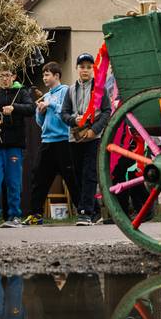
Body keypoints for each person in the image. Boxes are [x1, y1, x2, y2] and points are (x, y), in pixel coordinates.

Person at [60, 52, 111, 225]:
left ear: (93, 69)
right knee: (77, 175)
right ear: (77, 68)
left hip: (93, 138)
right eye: (82, 67)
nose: (85, 70)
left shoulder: (100, 89)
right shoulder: (70, 90)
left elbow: (106, 112)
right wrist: (74, 120)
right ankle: (96, 212)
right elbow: (63, 113)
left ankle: (85, 213)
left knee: (89, 174)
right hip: (75, 138)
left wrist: (94, 130)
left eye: (89, 67)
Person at [24, 63, 77, 225]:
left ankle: (87, 212)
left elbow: (67, 113)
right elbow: (41, 123)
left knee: (72, 179)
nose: (44, 78)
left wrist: (51, 105)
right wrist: (40, 112)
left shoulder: (66, 91)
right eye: (44, 75)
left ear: (56, 76)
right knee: (38, 178)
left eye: (47, 75)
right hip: (47, 142)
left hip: (64, 141)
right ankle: (35, 215)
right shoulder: (46, 96)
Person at [0, 67, 35, 227]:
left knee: (13, 182)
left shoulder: (22, 93)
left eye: (7, 75)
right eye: (1, 75)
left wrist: (14, 108)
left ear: (13, 76)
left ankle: (14, 216)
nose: (5, 79)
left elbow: (31, 109)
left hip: (14, 145)